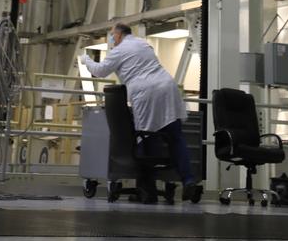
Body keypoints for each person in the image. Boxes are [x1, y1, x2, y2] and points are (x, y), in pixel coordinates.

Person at [82, 21, 202, 202]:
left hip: (146, 93)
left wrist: (86, 60)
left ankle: (148, 189)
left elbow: (100, 71)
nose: (112, 38)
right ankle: (188, 181)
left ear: (119, 35)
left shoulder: (119, 50)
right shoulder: (143, 44)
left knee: (147, 137)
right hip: (168, 88)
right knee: (176, 138)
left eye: (112, 35)